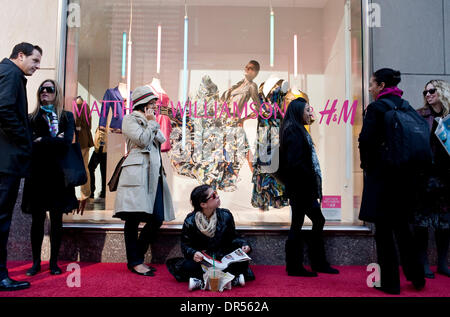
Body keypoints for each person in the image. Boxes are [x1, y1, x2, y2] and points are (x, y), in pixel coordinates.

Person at [358, 68, 426, 294]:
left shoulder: (377, 108)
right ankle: (417, 277)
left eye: (372, 83)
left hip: (384, 178)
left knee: (384, 232)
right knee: (404, 229)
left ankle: (390, 283)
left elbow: (365, 141)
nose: (369, 88)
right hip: (407, 179)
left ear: (382, 85)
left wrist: (367, 168)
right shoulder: (406, 106)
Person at [113, 86, 175, 276]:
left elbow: (162, 139)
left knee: (157, 217)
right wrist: (150, 123)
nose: (156, 106)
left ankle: (136, 255)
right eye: (152, 103)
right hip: (137, 173)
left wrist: (152, 122)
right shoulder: (129, 119)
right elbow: (142, 140)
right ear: (144, 103)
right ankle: (136, 261)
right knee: (132, 219)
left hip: (154, 174)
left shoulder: (150, 120)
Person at [22, 79, 78, 276]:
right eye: (42, 89)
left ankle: (54, 263)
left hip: (58, 177)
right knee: (37, 221)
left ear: (57, 93)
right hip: (37, 176)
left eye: (49, 89)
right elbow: (30, 144)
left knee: (56, 221)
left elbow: (66, 143)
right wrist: (55, 140)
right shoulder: (30, 118)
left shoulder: (67, 117)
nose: (44, 92)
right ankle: (36, 263)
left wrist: (43, 140)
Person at [278, 98, 339, 277]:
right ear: (298, 111)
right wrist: (310, 186)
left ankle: (304, 264)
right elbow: (296, 163)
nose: (310, 113)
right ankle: (306, 264)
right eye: (307, 109)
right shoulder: (294, 131)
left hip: (300, 187)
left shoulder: (294, 128)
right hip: (301, 188)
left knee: (303, 223)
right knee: (309, 222)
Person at [0, 42, 42, 291]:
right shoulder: (11, 74)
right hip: (6, 163)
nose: (37, 66)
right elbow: (4, 110)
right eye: (35, 61)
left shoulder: (8, 73)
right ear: (20, 55)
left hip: (6, 161)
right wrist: (24, 142)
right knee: (2, 220)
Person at [172, 184, 254, 291]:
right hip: (204, 261)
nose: (218, 196)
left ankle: (202, 282)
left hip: (222, 258)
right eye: (214, 195)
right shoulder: (190, 221)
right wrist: (193, 253)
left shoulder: (226, 215)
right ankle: (230, 280)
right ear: (203, 204)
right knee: (188, 266)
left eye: (216, 193)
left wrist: (244, 245)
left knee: (242, 263)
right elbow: (185, 246)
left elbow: (233, 238)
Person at [415, 79, 450, 278]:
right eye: (425, 91)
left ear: (442, 91)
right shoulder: (421, 116)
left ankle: (442, 263)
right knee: (422, 222)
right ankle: (424, 262)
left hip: (446, 177)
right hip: (425, 176)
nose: (428, 95)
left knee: (445, 223)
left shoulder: (449, 117)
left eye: (432, 90)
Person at [74, 96, 94, 213]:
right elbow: (89, 124)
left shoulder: (77, 106)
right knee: (85, 167)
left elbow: (77, 123)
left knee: (80, 168)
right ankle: (85, 194)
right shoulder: (86, 106)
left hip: (79, 140)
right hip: (85, 139)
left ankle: (84, 194)